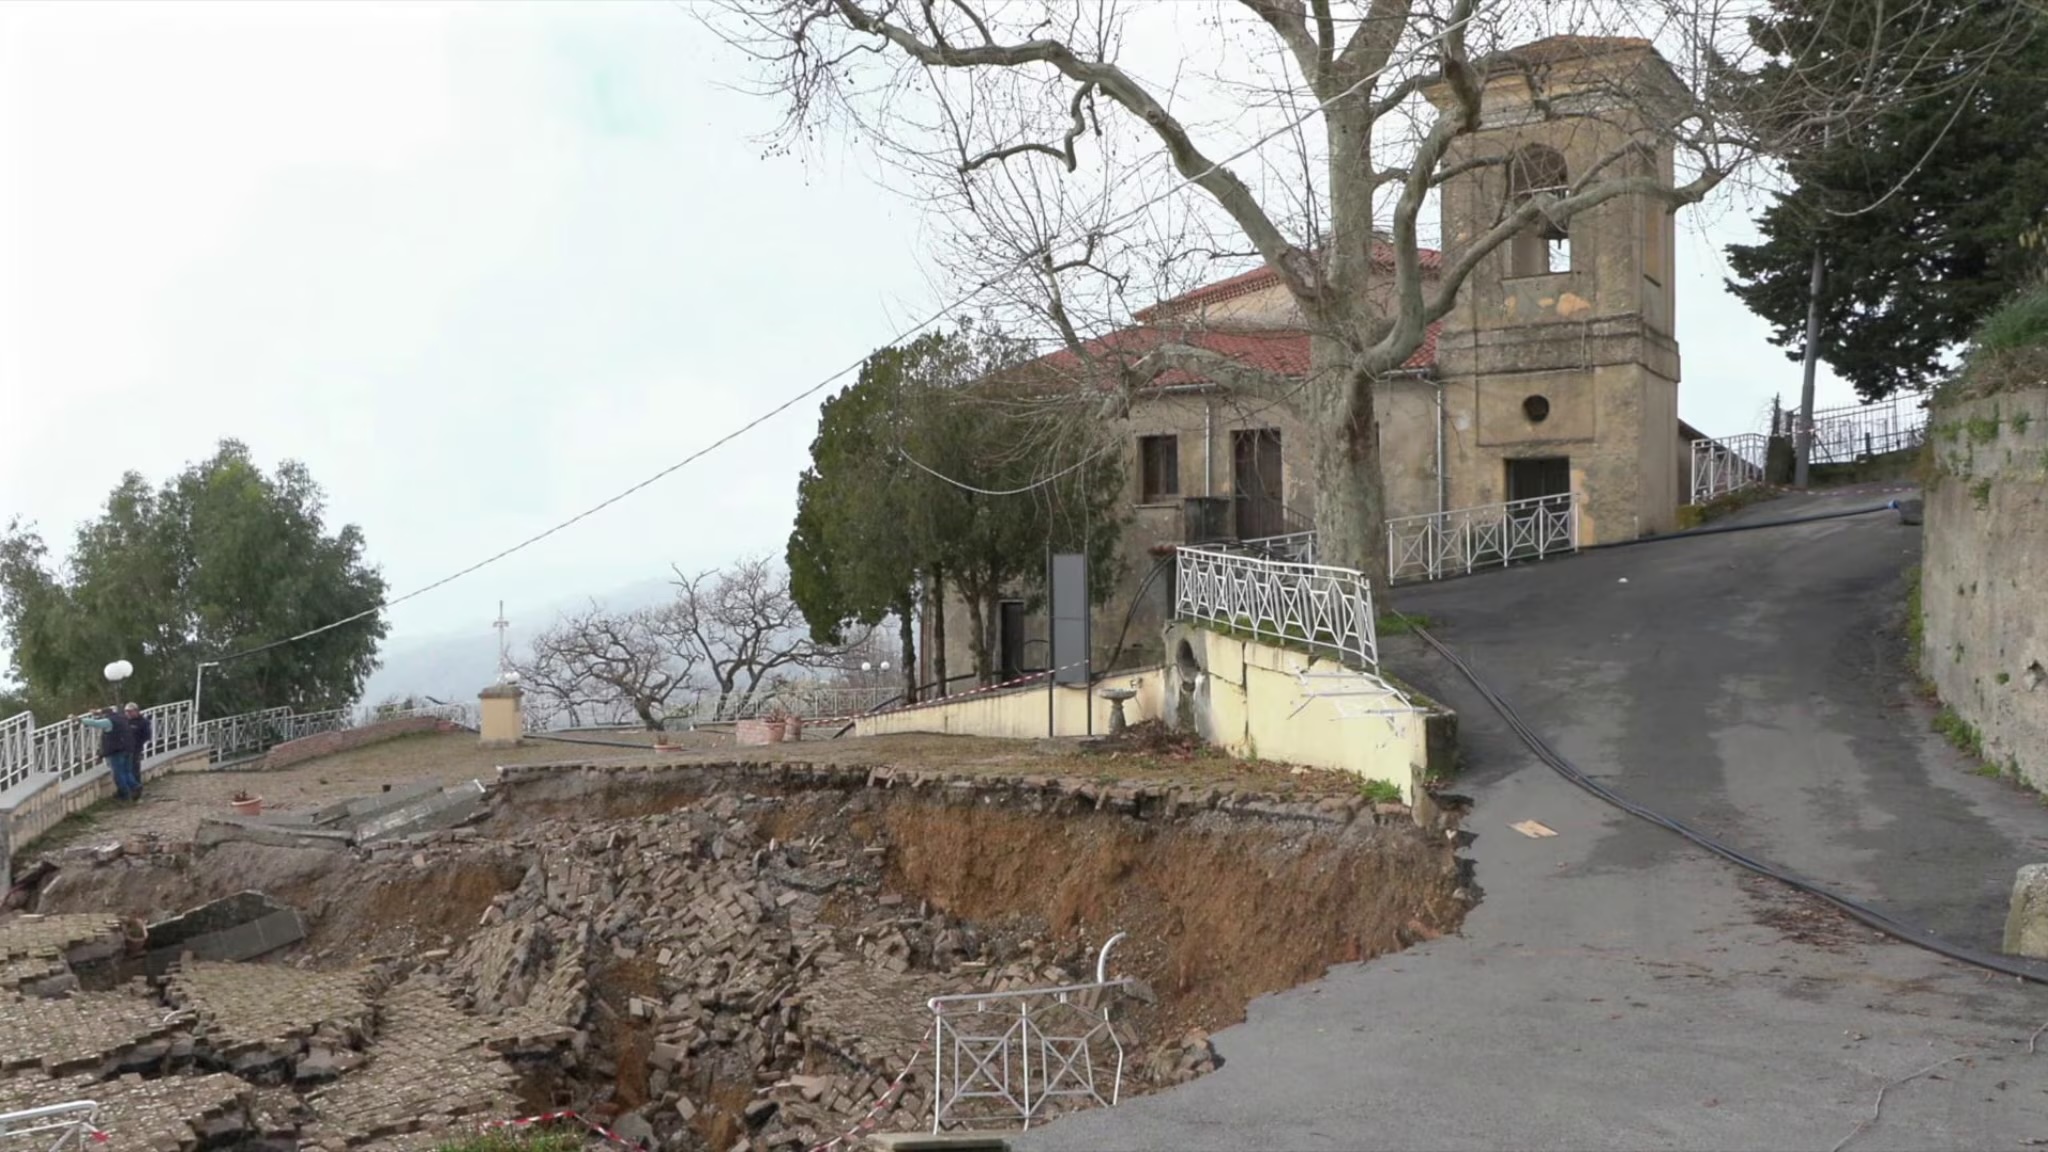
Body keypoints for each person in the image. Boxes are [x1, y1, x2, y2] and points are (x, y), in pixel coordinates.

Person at [79, 705, 144, 802]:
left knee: (119, 774)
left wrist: (80, 720)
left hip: (116, 751)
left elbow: (95, 723)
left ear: (105, 715)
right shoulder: (121, 718)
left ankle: (125, 795)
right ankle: (135, 786)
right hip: (128, 748)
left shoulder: (109, 721)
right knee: (127, 771)